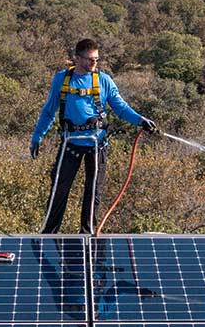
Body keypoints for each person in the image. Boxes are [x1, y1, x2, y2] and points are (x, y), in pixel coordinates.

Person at [31, 39, 157, 234]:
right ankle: (48, 233)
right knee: (59, 189)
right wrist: (37, 136)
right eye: (90, 60)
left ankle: (87, 233)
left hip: (96, 144)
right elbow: (49, 110)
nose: (94, 64)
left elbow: (120, 107)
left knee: (93, 192)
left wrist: (140, 120)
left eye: (96, 60)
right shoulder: (62, 79)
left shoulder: (104, 80)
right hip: (70, 143)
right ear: (77, 58)